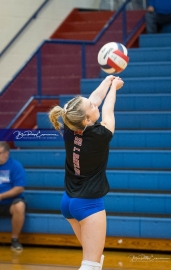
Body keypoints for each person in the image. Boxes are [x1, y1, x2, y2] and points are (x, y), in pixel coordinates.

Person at [49, 75, 124, 270]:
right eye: (91, 106)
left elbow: (95, 100)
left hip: (69, 201)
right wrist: (114, 87)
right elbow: (107, 108)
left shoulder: (69, 125)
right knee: (91, 265)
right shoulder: (100, 135)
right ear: (86, 119)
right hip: (88, 204)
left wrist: (106, 82)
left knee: (96, 260)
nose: (94, 104)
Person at [0, 141, 26, 251]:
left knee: (19, 206)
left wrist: (1, 196)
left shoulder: (15, 166)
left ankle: (14, 239)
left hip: (10, 202)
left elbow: (19, 188)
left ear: (6, 153)